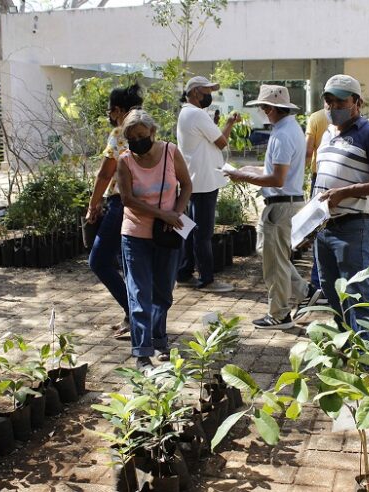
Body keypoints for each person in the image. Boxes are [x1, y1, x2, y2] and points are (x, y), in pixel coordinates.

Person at [314, 75, 369, 336]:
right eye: (329, 101)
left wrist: (345, 192)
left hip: (353, 227)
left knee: (356, 294)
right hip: (324, 227)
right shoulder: (328, 133)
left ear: (357, 102)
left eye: (341, 101)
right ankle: (347, 348)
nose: (333, 107)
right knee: (331, 292)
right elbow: (321, 178)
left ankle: (366, 359)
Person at [225, 85, 310, 329]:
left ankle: (279, 314)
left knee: (275, 262)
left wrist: (243, 177)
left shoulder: (282, 135)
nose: (261, 112)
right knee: (275, 257)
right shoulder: (289, 129)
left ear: (272, 108)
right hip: (285, 203)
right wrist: (250, 171)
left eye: (262, 108)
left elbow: (277, 180)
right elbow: (276, 172)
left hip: (281, 205)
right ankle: (304, 292)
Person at [117, 110, 192, 370]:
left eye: (141, 135)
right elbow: (127, 199)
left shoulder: (171, 152)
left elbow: (186, 185)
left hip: (167, 234)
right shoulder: (125, 161)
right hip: (135, 235)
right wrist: (162, 213)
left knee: (163, 294)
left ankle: (160, 341)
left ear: (152, 132)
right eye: (131, 137)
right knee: (139, 295)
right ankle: (141, 353)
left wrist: (177, 213)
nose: (137, 141)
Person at [86, 84, 142, 338]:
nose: (110, 116)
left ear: (117, 110)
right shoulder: (145, 130)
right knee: (127, 263)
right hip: (143, 205)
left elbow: (104, 173)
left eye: (110, 111)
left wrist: (92, 205)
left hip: (121, 205)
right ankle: (133, 316)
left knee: (98, 260)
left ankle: (133, 312)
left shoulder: (120, 132)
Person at [176, 76, 240, 293]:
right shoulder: (196, 114)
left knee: (190, 230)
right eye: (207, 90)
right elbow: (221, 142)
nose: (209, 95)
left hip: (193, 180)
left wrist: (223, 125)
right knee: (203, 234)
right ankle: (206, 279)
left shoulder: (187, 113)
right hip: (204, 181)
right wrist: (229, 124)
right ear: (195, 92)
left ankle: (184, 273)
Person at [304, 108, 329, 302]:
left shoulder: (316, 117)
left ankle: (318, 283)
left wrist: (301, 173)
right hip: (337, 178)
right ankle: (327, 284)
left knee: (319, 228)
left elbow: (308, 149)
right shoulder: (354, 117)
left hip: (318, 176)